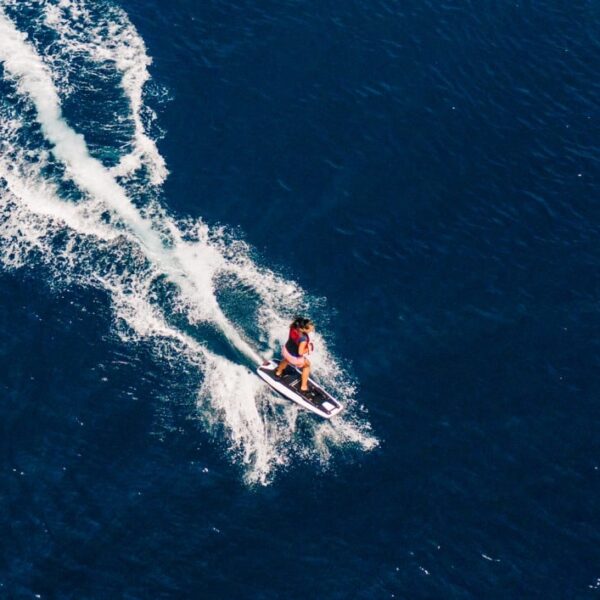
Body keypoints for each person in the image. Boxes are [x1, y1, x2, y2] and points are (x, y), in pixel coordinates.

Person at [275, 317, 315, 392]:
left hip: (285, 351)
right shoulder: (303, 339)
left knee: (286, 359)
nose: (312, 330)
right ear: (304, 329)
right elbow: (300, 352)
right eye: (310, 329)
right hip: (293, 358)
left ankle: (278, 372)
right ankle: (303, 387)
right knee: (307, 365)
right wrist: (309, 349)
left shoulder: (293, 326)